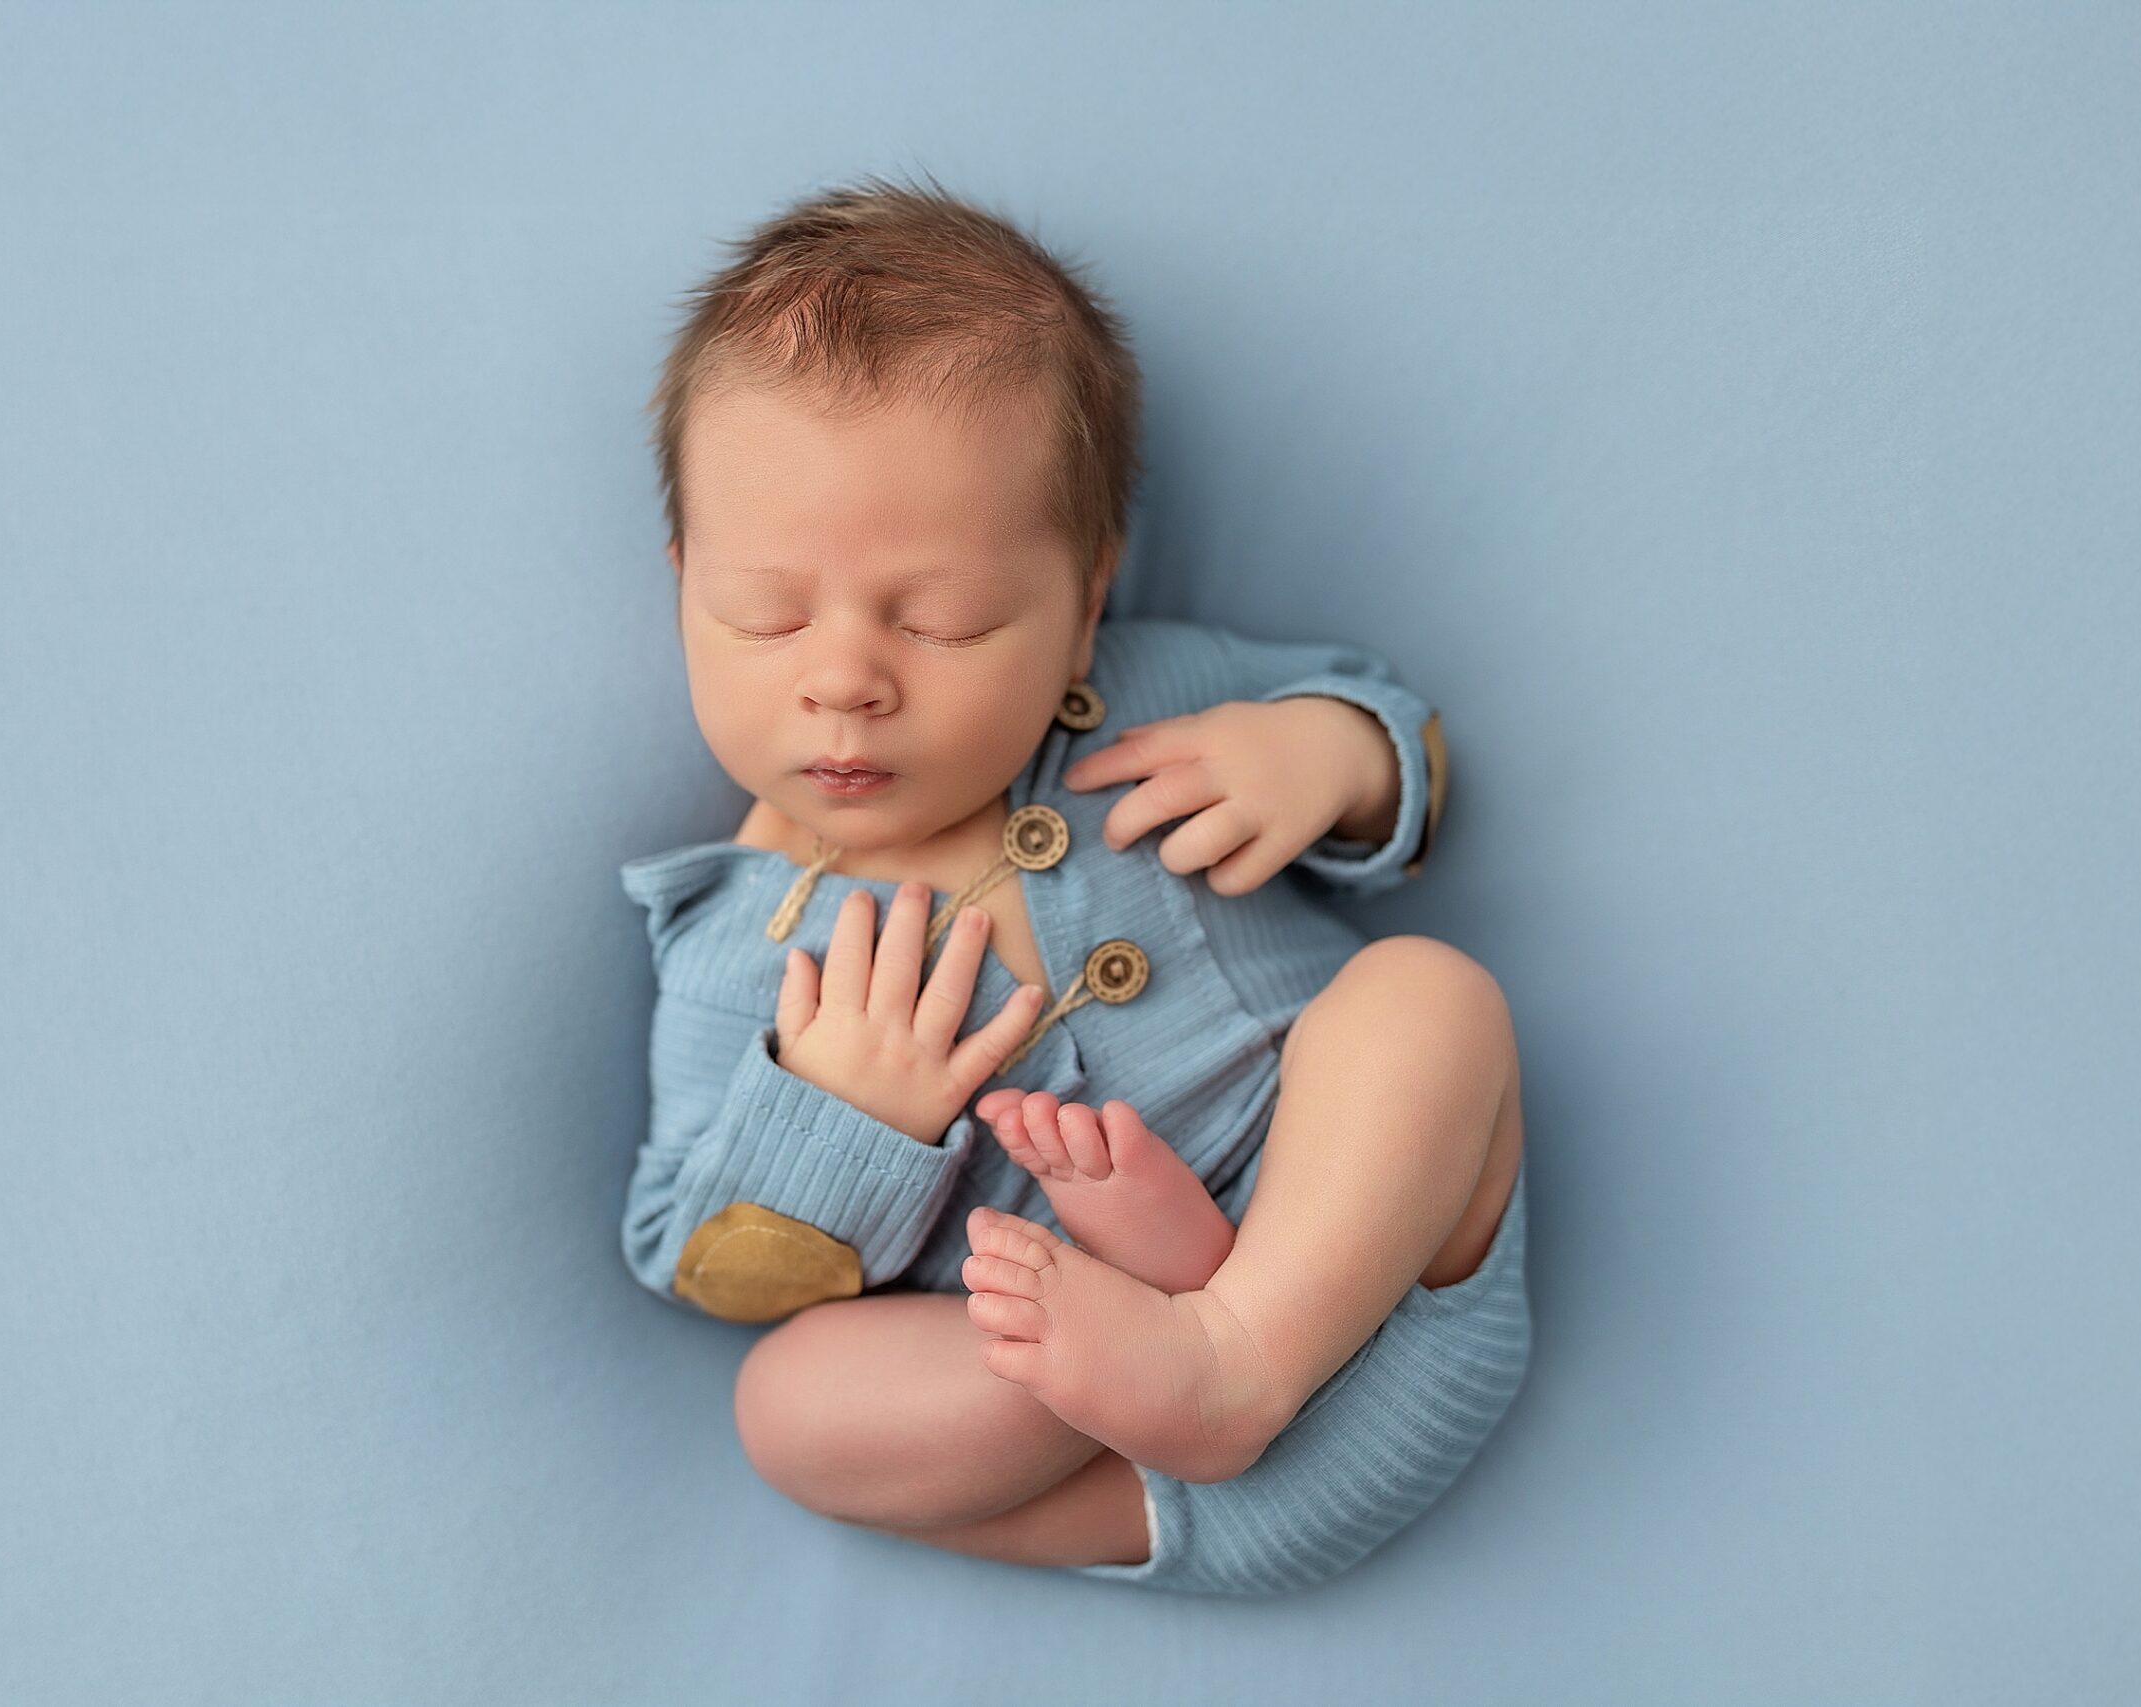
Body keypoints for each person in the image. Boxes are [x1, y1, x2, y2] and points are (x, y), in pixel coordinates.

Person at [616, 171, 1527, 1596]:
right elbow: (698, 1259)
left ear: (1086, 599)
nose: (844, 678)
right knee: (785, 1406)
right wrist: (832, 1114)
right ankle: (1168, 1349)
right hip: (1110, 1448)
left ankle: (1238, 1346)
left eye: (945, 621)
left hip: (1386, 1305)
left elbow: (1408, 750)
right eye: (765, 614)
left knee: (1428, 1000)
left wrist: (1327, 751)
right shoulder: (737, 946)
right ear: (683, 582)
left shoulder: (1146, 701)